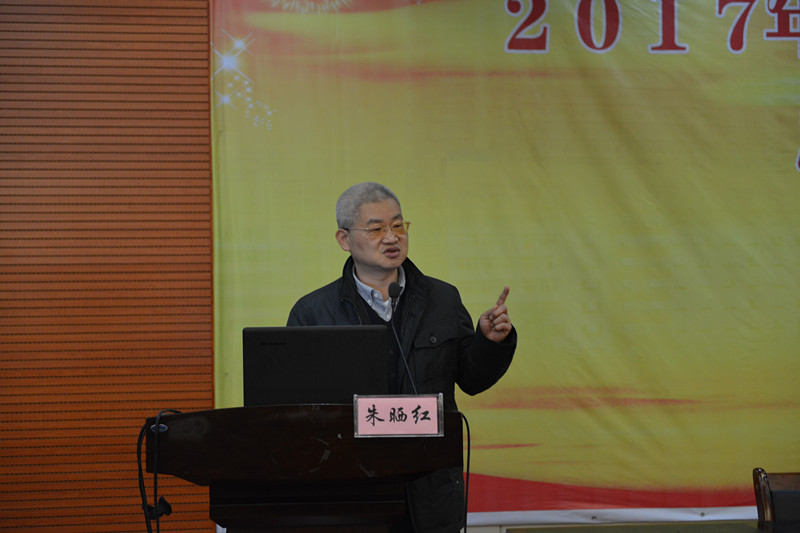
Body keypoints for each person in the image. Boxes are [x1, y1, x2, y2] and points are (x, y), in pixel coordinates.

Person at [287, 182, 517, 533]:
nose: (392, 237)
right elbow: (298, 413)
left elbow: (472, 379)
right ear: (344, 239)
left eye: (398, 225)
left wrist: (490, 342)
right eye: (376, 228)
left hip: (430, 491)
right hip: (352, 494)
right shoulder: (313, 312)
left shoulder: (443, 298)